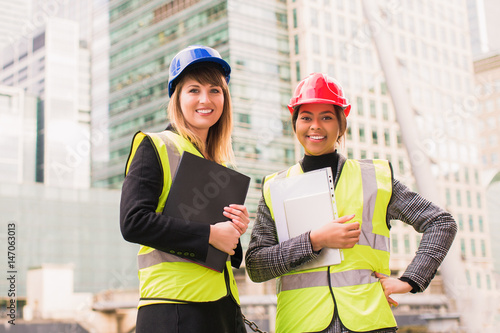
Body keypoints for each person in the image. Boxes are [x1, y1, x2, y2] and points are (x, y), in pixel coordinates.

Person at [245, 73, 457, 333]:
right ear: (295, 124)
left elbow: (441, 222)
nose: (315, 126)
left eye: (326, 117)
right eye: (306, 117)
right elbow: (256, 265)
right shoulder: (274, 187)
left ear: (341, 126)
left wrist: (410, 280)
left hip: (368, 322)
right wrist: (314, 240)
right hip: (301, 324)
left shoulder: (375, 177)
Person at [120, 45, 249, 333]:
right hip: (173, 310)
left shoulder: (220, 164)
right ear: (177, 97)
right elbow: (133, 222)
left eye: (215, 90)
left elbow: (226, 254)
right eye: (194, 90)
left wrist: (235, 232)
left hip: (223, 309)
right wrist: (211, 234)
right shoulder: (154, 145)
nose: (206, 99)